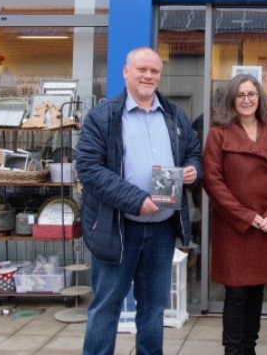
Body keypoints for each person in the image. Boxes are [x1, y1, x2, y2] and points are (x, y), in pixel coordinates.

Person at [78, 47, 203, 355]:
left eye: (154, 71)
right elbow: (89, 170)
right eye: (141, 70)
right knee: (106, 307)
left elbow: (193, 152)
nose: (148, 76)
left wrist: (192, 170)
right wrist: (135, 200)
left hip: (161, 230)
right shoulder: (103, 116)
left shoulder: (174, 115)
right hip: (117, 228)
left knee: (154, 308)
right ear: (126, 72)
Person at [203, 74, 267, 355]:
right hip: (235, 227)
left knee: (256, 290)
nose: (246, 100)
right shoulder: (219, 133)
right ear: (232, 99)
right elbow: (212, 181)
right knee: (237, 292)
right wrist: (247, 217)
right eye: (241, 95)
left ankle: (249, 348)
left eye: (251, 94)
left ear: (259, 98)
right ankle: (233, 351)